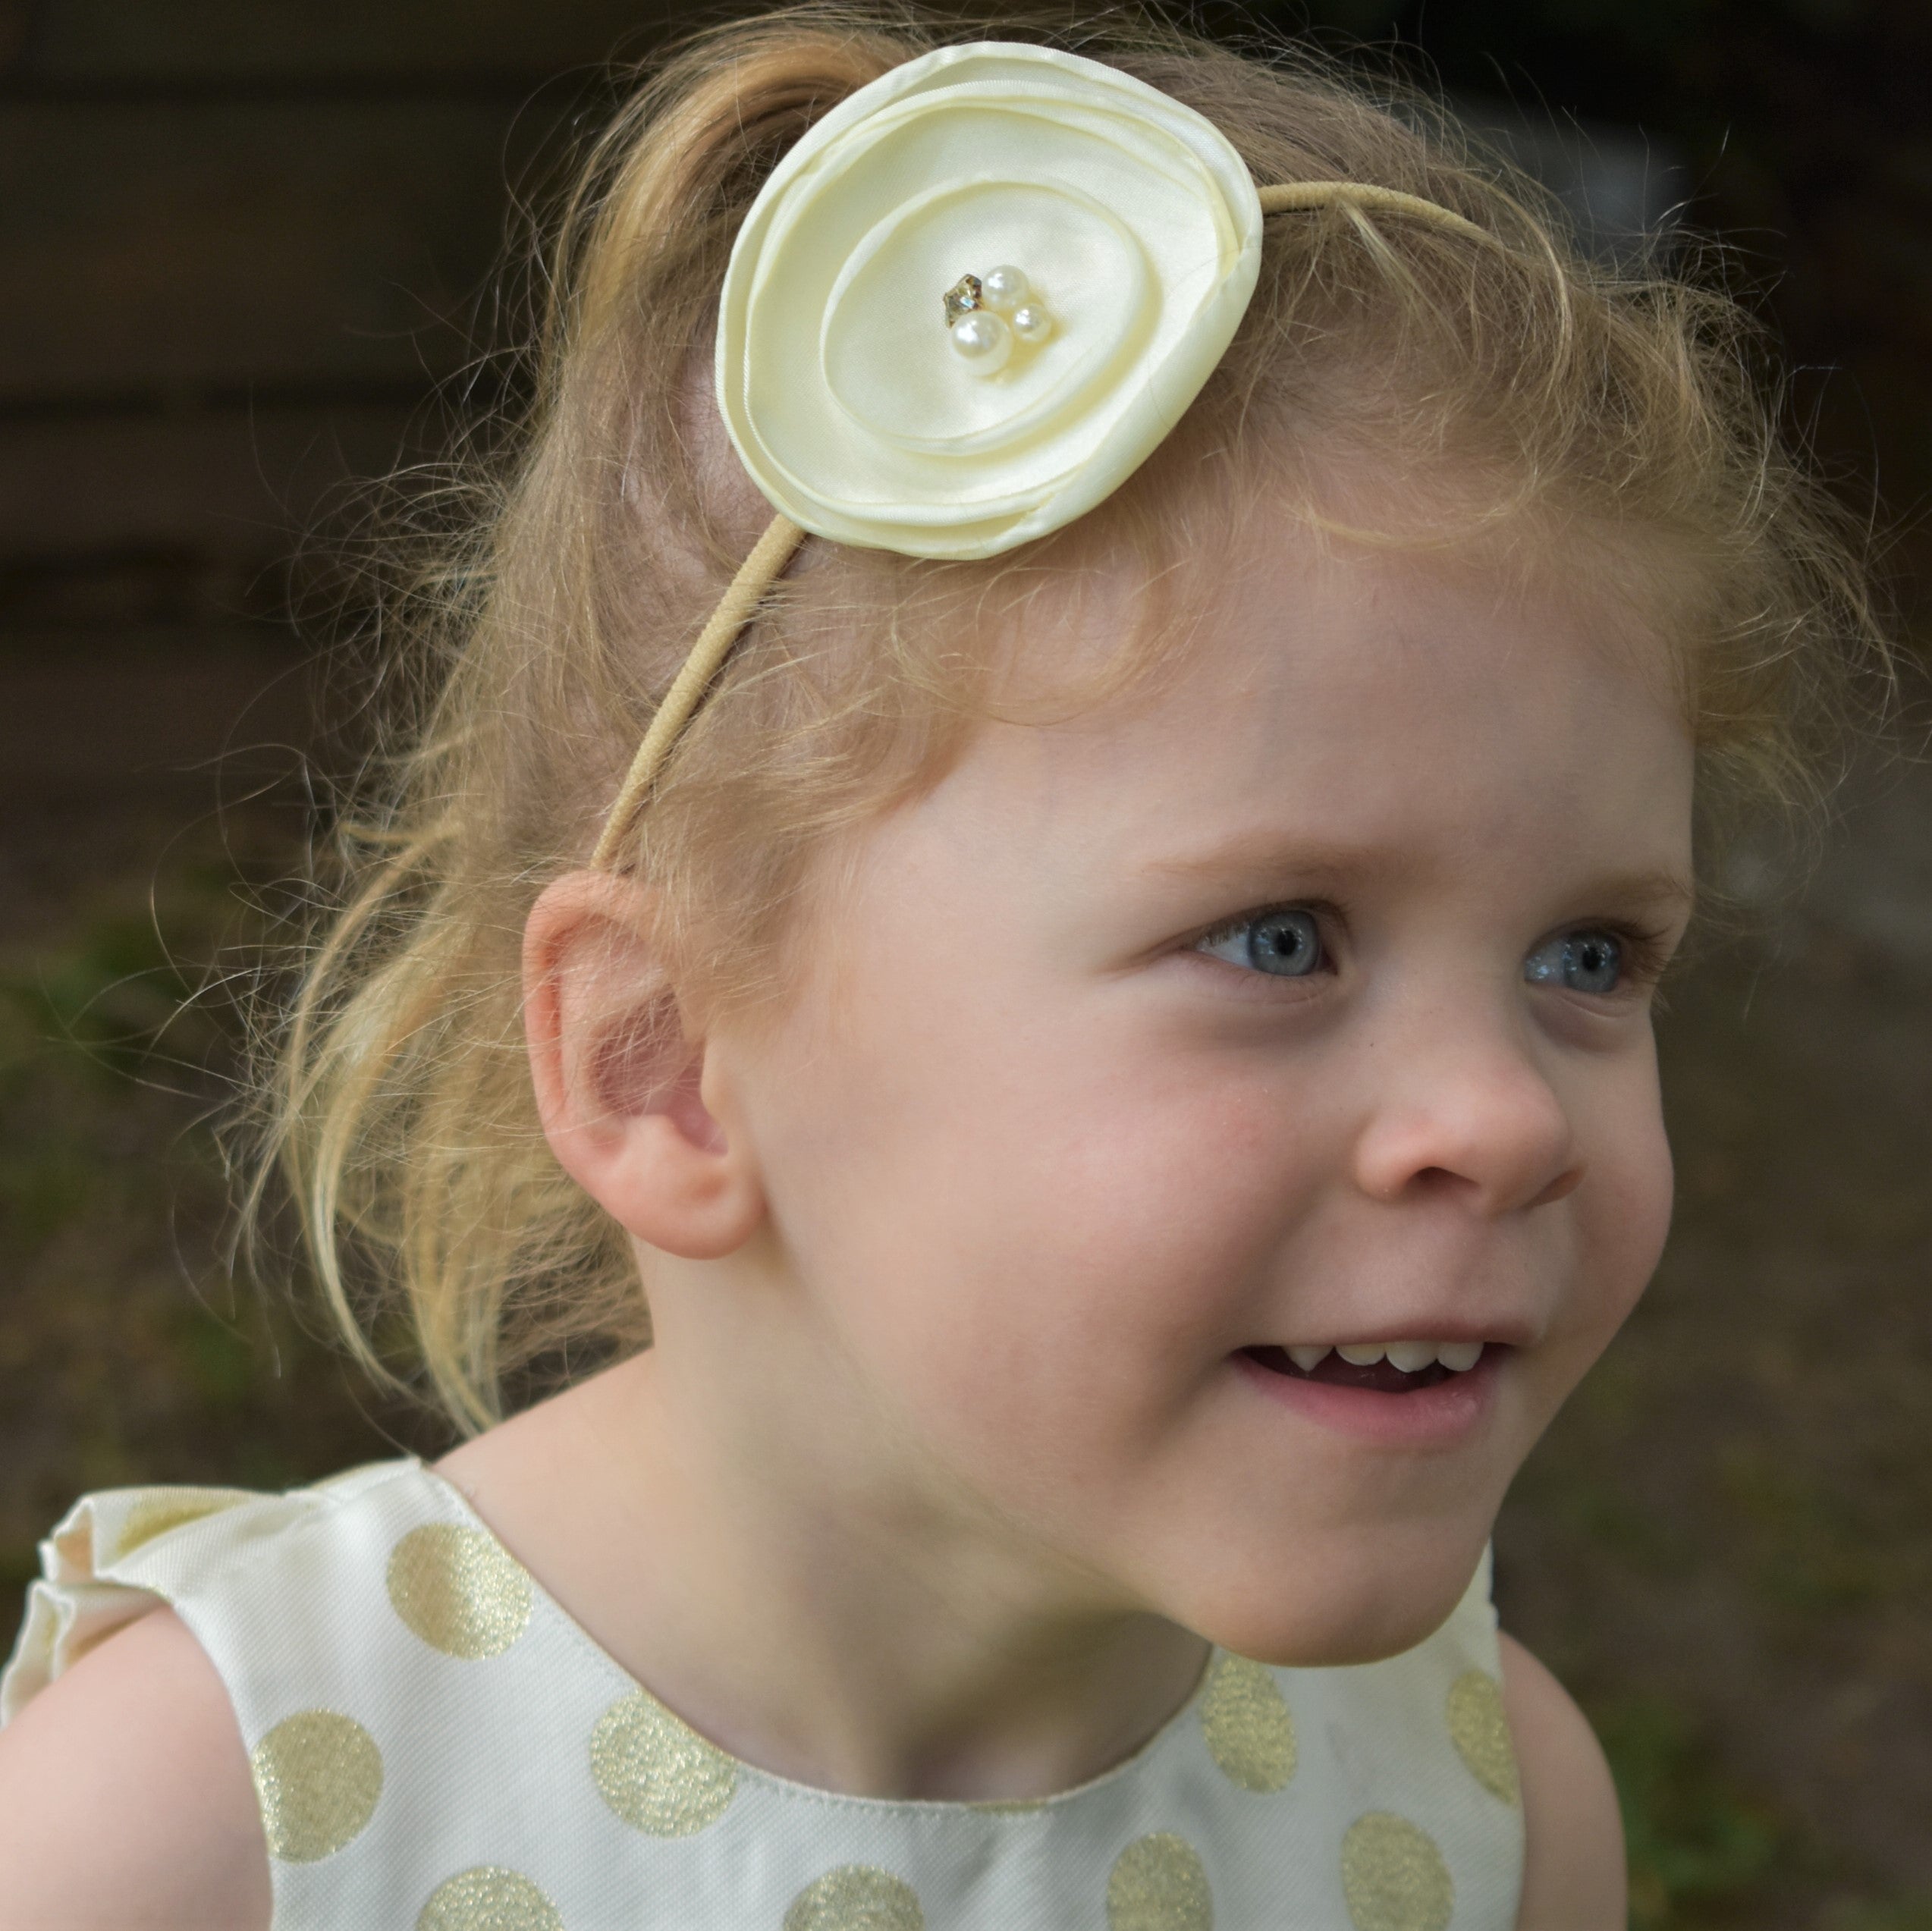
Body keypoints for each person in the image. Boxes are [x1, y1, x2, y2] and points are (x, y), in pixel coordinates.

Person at [0, 8, 1886, 1927]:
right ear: (665, 1059)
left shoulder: (1481, 1826)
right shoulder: (203, 1837)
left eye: (1587, 953)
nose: (1499, 1116)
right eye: (1278, 939)